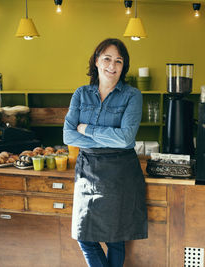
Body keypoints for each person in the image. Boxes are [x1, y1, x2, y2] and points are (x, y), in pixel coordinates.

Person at [63, 38, 148, 267]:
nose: (112, 65)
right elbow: (68, 136)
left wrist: (88, 129)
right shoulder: (81, 94)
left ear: (124, 66)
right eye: (107, 59)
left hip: (120, 173)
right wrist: (109, 136)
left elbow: (126, 138)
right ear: (97, 62)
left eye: (118, 61)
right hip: (87, 171)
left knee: (115, 240)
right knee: (84, 237)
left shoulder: (132, 95)